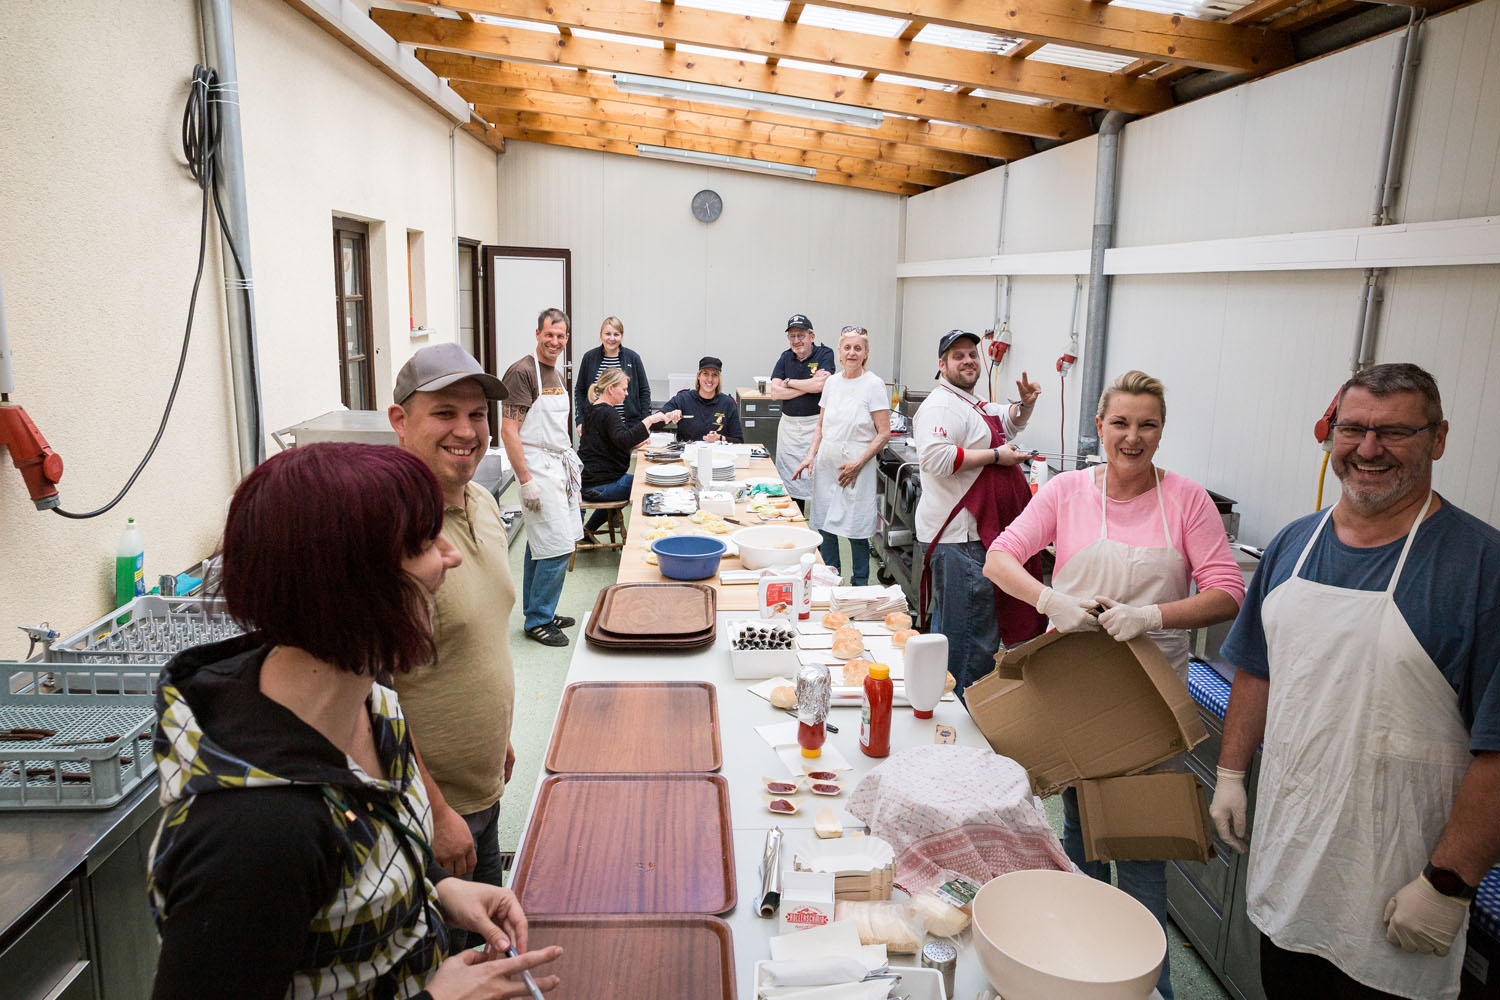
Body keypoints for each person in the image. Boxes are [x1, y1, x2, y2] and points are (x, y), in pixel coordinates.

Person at [147, 443, 562, 999]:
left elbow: (372, 861)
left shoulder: (373, 698)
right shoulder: (253, 833)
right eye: (424, 543)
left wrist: (440, 890)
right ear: (352, 585)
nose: (450, 556)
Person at [1209, 362, 1500, 1000]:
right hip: (1291, 866)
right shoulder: (1294, 544)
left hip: (1398, 888)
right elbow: (1257, 668)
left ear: (1438, 439)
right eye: (1352, 429)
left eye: (1394, 432)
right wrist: (1231, 773)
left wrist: (1447, 882)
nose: (1368, 449)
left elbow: (1497, 749)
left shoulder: (1481, 567)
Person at [983, 370, 1245, 1000]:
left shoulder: (1186, 500)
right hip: (1075, 696)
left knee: (1142, 845)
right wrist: (1050, 600)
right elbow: (999, 557)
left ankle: (1147, 987)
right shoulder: (1067, 491)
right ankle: (1080, 975)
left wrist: (1151, 616)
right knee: (1082, 836)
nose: (1133, 437)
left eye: (1147, 425)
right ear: (1099, 426)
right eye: (1120, 423)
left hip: (1151, 705)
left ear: (1161, 431)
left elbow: (1227, 593)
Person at [386, 343, 517, 909]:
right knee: (449, 955)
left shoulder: (482, 502)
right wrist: (435, 809)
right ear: (400, 420)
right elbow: (371, 698)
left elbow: (476, 635)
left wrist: (496, 735)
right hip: (426, 813)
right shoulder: (393, 533)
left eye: (477, 414)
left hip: (483, 789)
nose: (466, 431)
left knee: (492, 941)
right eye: (445, 413)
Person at [913, 330, 1045, 697]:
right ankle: (962, 710)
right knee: (970, 641)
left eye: (973, 354)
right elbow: (937, 458)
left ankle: (940, 702)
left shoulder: (970, 402)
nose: (969, 360)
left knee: (953, 634)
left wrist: (1025, 405)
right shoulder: (941, 406)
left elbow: (1006, 420)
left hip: (969, 541)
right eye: (958, 356)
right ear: (942, 366)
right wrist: (997, 457)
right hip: (961, 541)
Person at [501, 307, 582, 647]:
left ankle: (539, 610)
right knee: (558, 545)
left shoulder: (557, 374)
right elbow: (509, 431)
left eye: (560, 336)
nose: (555, 341)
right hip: (536, 466)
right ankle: (538, 620)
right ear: (537, 334)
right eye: (549, 334)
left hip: (557, 466)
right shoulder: (522, 373)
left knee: (541, 543)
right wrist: (525, 481)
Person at [792, 326, 891, 586]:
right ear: (839, 351)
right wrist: (810, 455)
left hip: (856, 468)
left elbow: (884, 433)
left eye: (858, 348)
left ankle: (859, 586)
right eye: (847, 347)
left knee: (855, 530)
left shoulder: (873, 384)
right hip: (827, 466)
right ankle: (830, 580)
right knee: (825, 526)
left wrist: (859, 464)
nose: (852, 353)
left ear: (866, 353)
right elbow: (820, 425)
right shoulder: (832, 383)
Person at [579, 368, 679, 531]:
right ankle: (651, 530)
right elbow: (623, 440)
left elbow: (611, 443)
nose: (627, 394)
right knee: (645, 484)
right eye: (624, 389)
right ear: (611, 389)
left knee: (635, 481)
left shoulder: (593, 409)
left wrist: (634, 443)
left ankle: (588, 531)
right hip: (598, 487)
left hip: (589, 483)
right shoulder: (608, 412)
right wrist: (649, 420)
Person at [771, 313, 836, 512]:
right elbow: (775, 392)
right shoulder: (785, 357)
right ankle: (793, 520)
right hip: (789, 431)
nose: (796, 340)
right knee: (790, 483)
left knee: (819, 482)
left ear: (811, 336)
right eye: (792, 336)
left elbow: (821, 385)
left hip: (815, 427)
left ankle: (820, 528)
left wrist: (789, 382)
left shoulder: (825, 354)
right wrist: (809, 386)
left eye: (801, 335)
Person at [573, 316, 653, 434]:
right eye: (607, 334)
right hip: (595, 426)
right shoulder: (589, 358)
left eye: (616, 334)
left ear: (622, 336)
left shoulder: (633, 358)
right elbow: (580, 390)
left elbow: (644, 391)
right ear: (601, 335)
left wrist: (645, 423)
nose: (612, 338)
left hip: (628, 426)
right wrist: (580, 420)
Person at [661, 356, 742, 443]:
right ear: (699, 376)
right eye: (705, 374)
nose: (710, 379)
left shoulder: (728, 403)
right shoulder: (683, 399)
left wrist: (719, 438)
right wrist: (669, 416)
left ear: (719, 379)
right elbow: (656, 422)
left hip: (717, 451)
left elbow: (739, 440)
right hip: (686, 451)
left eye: (714, 375)